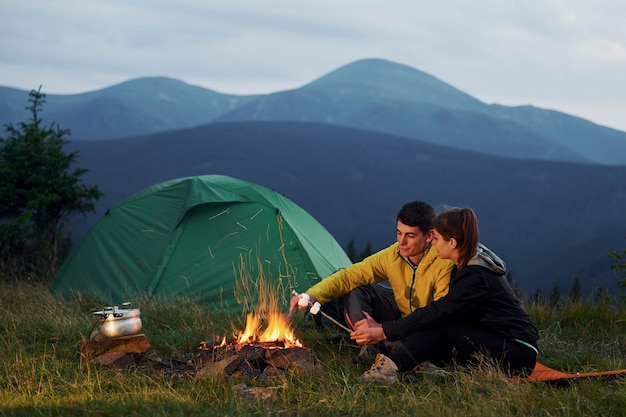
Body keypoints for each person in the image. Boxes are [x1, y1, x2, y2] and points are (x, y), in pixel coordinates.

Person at [351, 207, 539, 384]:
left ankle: (390, 370)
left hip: (518, 354)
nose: (432, 243)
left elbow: (439, 311)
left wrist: (384, 330)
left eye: (437, 238)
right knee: (441, 321)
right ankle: (425, 364)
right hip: (495, 341)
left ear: (452, 243)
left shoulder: (476, 277)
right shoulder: (465, 266)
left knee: (442, 321)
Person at [290, 200, 454, 357]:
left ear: (429, 236)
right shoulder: (394, 255)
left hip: (424, 328)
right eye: (399, 233)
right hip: (399, 319)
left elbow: (439, 314)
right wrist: (312, 295)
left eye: (410, 236)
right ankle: (368, 343)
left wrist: (385, 329)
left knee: (435, 330)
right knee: (356, 290)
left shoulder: (443, 261)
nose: (402, 241)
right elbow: (350, 276)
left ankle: (385, 344)